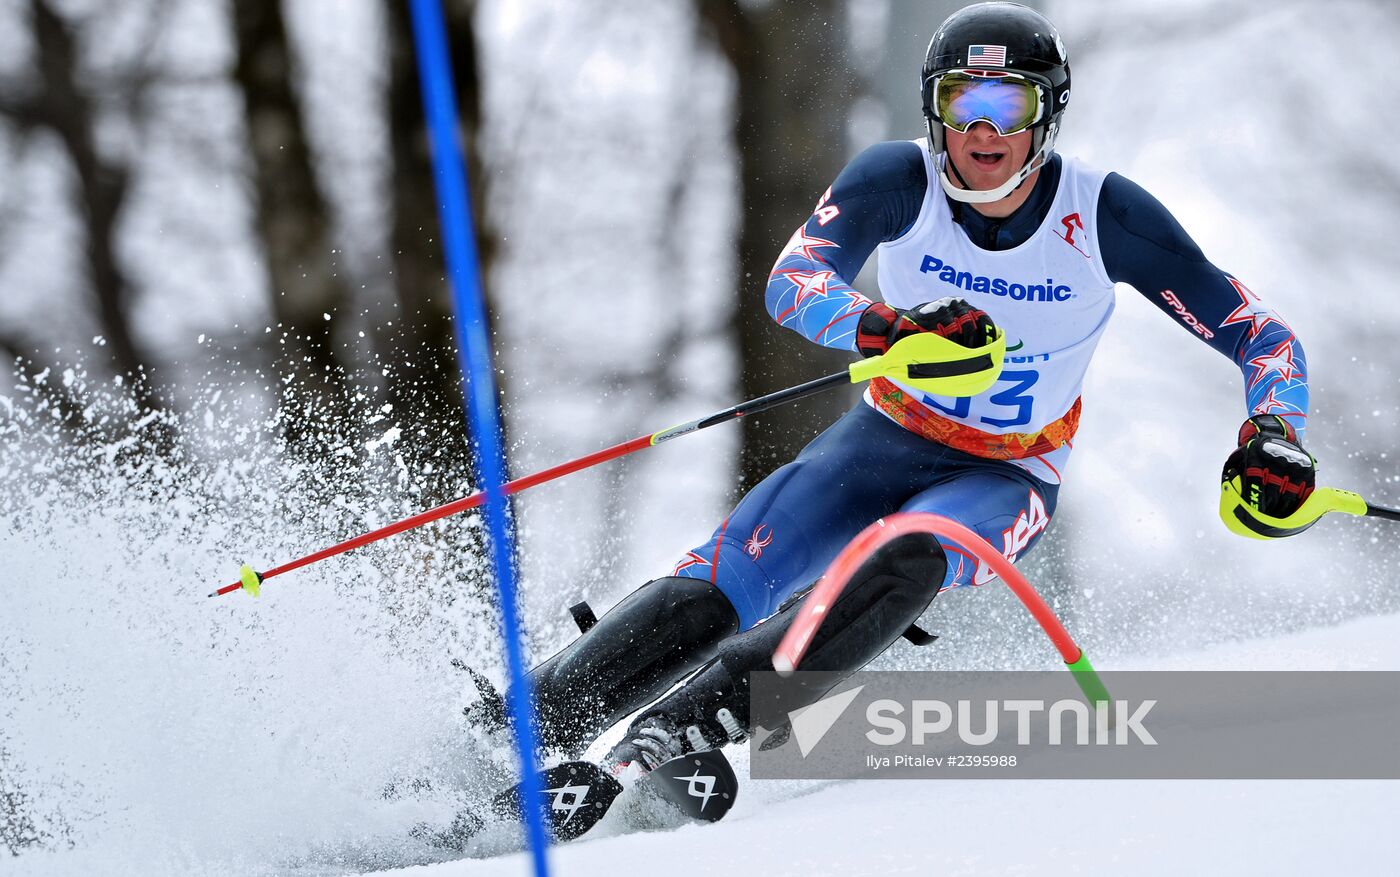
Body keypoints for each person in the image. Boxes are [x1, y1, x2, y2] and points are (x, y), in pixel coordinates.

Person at [481, 1, 1317, 782]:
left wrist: (1274, 431)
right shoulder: (898, 180)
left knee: (904, 554)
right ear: (934, 111)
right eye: (962, 103)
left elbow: (1260, 334)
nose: (983, 130)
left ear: (1047, 117)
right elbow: (793, 280)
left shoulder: (1104, 217)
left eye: (1009, 105)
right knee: (716, 587)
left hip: (1005, 475)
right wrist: (890, 329)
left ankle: (677, 736)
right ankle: (502, 733)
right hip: (880, 445)